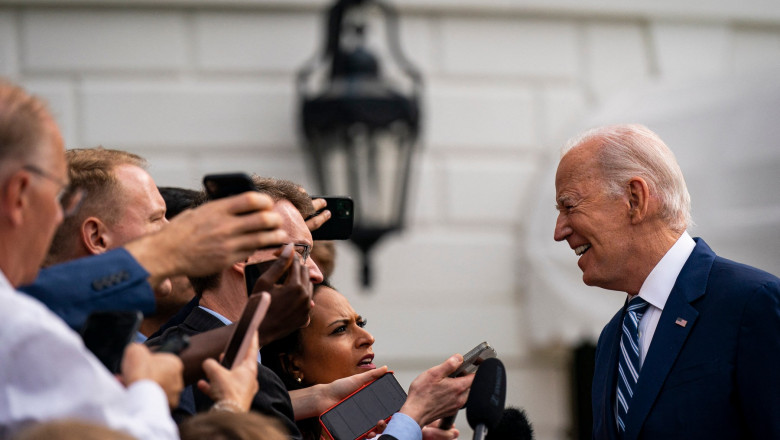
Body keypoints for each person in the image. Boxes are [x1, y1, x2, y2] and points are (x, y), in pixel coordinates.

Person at [553, 124, 780, 439]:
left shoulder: (752, 303)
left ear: (635, 198)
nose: (558, 231)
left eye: (569, 206)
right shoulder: (612, 338)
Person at [0, 79, 181, 439]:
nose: (57, 216)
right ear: (20, 194)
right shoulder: (21, 324)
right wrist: (149, 391)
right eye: (56, 196)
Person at [262, 282, 465, 440]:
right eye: (340, 329)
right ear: (293, 364)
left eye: (361, 323)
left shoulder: (370, 431)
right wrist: (412, 417)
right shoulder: (260, 432)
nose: (368, 337)